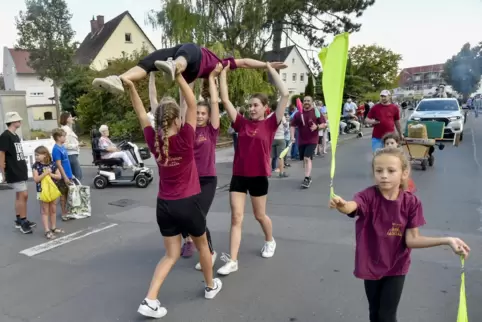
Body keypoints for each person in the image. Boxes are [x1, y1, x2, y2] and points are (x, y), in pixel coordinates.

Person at [122, 70, 222, 319]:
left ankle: (150, 299)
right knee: (204, 249)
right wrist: (178, 76)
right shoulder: (186, 138)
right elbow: (191, 102)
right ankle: (210, 286)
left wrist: (131, 87)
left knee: (171, 255)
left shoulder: (153, 140)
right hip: (188, 204)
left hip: (164, 206)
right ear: (177, 119)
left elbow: (139, 111)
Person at [329, 147, 470, 322]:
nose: (384, 175)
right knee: (374, 312)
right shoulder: (368, 196)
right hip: (370, 263)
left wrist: (447, 240)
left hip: (396, 266)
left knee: (387, 315)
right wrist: (342, 205)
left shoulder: (411, 203)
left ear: (404, 173)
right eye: (379, 171)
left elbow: (412, 239)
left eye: (391, 170)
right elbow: (352, 206)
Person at [216, 62, 289, 276]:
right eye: (250, 105)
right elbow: (225, 99)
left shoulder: (270, 123)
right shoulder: (241, 123)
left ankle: (270, 240)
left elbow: (284, 94)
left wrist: (269, 68)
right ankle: (233, 260)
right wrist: (223, 73)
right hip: (239, 176)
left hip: (258, 176)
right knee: (236, 218)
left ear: (265, 107)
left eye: (256, 105)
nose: (252, 108)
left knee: (259, 215)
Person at [92, 43, 287, 94]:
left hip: (189, 60)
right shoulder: (204, 75)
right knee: (148, 63)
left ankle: (174, 65)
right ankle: (119, 79)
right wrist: (267, 65)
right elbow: (245, 62)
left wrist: (266, 65)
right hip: (177, 55)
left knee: (191, 47)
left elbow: (244, 62)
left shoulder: (220, 65)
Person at [177, 64, 222, 266]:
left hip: (207, 180)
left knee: (198, 216)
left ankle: (210, 253)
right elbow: (185, 104)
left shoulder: (211, 131)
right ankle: (195, 243)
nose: (201, 115)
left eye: (204, 113)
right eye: (199, 113)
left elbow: (214, 101)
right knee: (188, 216)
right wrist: (189, 80)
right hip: (189, 180)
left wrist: (212, 78)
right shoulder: (188, 130)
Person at [0, 112, 35, 234]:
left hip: (20, 168)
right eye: (18, 120)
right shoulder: (5, 136)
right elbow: (2, 153)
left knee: (19, 195)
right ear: (13, 121)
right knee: (23, 195)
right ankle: (23, 221)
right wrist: (3, 172)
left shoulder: (14, 135)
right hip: (13, 169)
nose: (20, 122)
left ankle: (19, 219)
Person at [290, 96, 327, 188]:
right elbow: (292, 125)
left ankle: (307, 178)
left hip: (312, 139)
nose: (306, 102)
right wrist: (292, 136)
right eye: (305, 101)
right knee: (305, 159)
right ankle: (308, 175)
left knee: (307, 158)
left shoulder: (316, 112)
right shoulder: (298, 114)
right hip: (302, 140)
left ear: (312, 102)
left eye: (308, 101)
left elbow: (324, 124)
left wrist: (317, 127)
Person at [32, 146, 64, 239]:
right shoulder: (36, 166)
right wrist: (45, 173)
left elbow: (59, 176)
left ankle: (53, 227)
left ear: (45, 154)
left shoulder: (53, 164)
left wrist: (50, 174)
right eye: (35, 155)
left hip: (52, 190)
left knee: (53, 210)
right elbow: (36, 179)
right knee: (45, 211)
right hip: (42, 191)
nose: (36, 157)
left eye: (38, 155)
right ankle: (47, 230)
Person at [52, 128, 74, 221]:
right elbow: (58, 164)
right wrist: (64, 176)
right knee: (63, 194)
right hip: (62, 174)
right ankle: (63, 213)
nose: (65, 138)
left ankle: (68, 211)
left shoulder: (62, 147)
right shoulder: (56, 149)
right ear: (58, 137)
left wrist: (70, 174)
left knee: (69, 193)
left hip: (68, 173)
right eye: (63, 136)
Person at [59, 112, 84, 181]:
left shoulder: (68, 129)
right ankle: (76, 190)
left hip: (72, 154)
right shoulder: (65, 130)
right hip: (70, 154)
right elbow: (65, 144)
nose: (72, 118)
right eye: (70, 117)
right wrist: (77, 145)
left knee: (74, 176)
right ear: (66, 119)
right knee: (78, 175)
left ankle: (74, 190)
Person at [270, 103, 289, 177]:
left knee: (270, 156)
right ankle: (281, 172)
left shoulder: (269, 116)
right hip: (280, 137)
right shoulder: (281, 116)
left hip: (272, 138)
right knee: (280, 156)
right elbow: (286, 125)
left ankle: (268, 173)